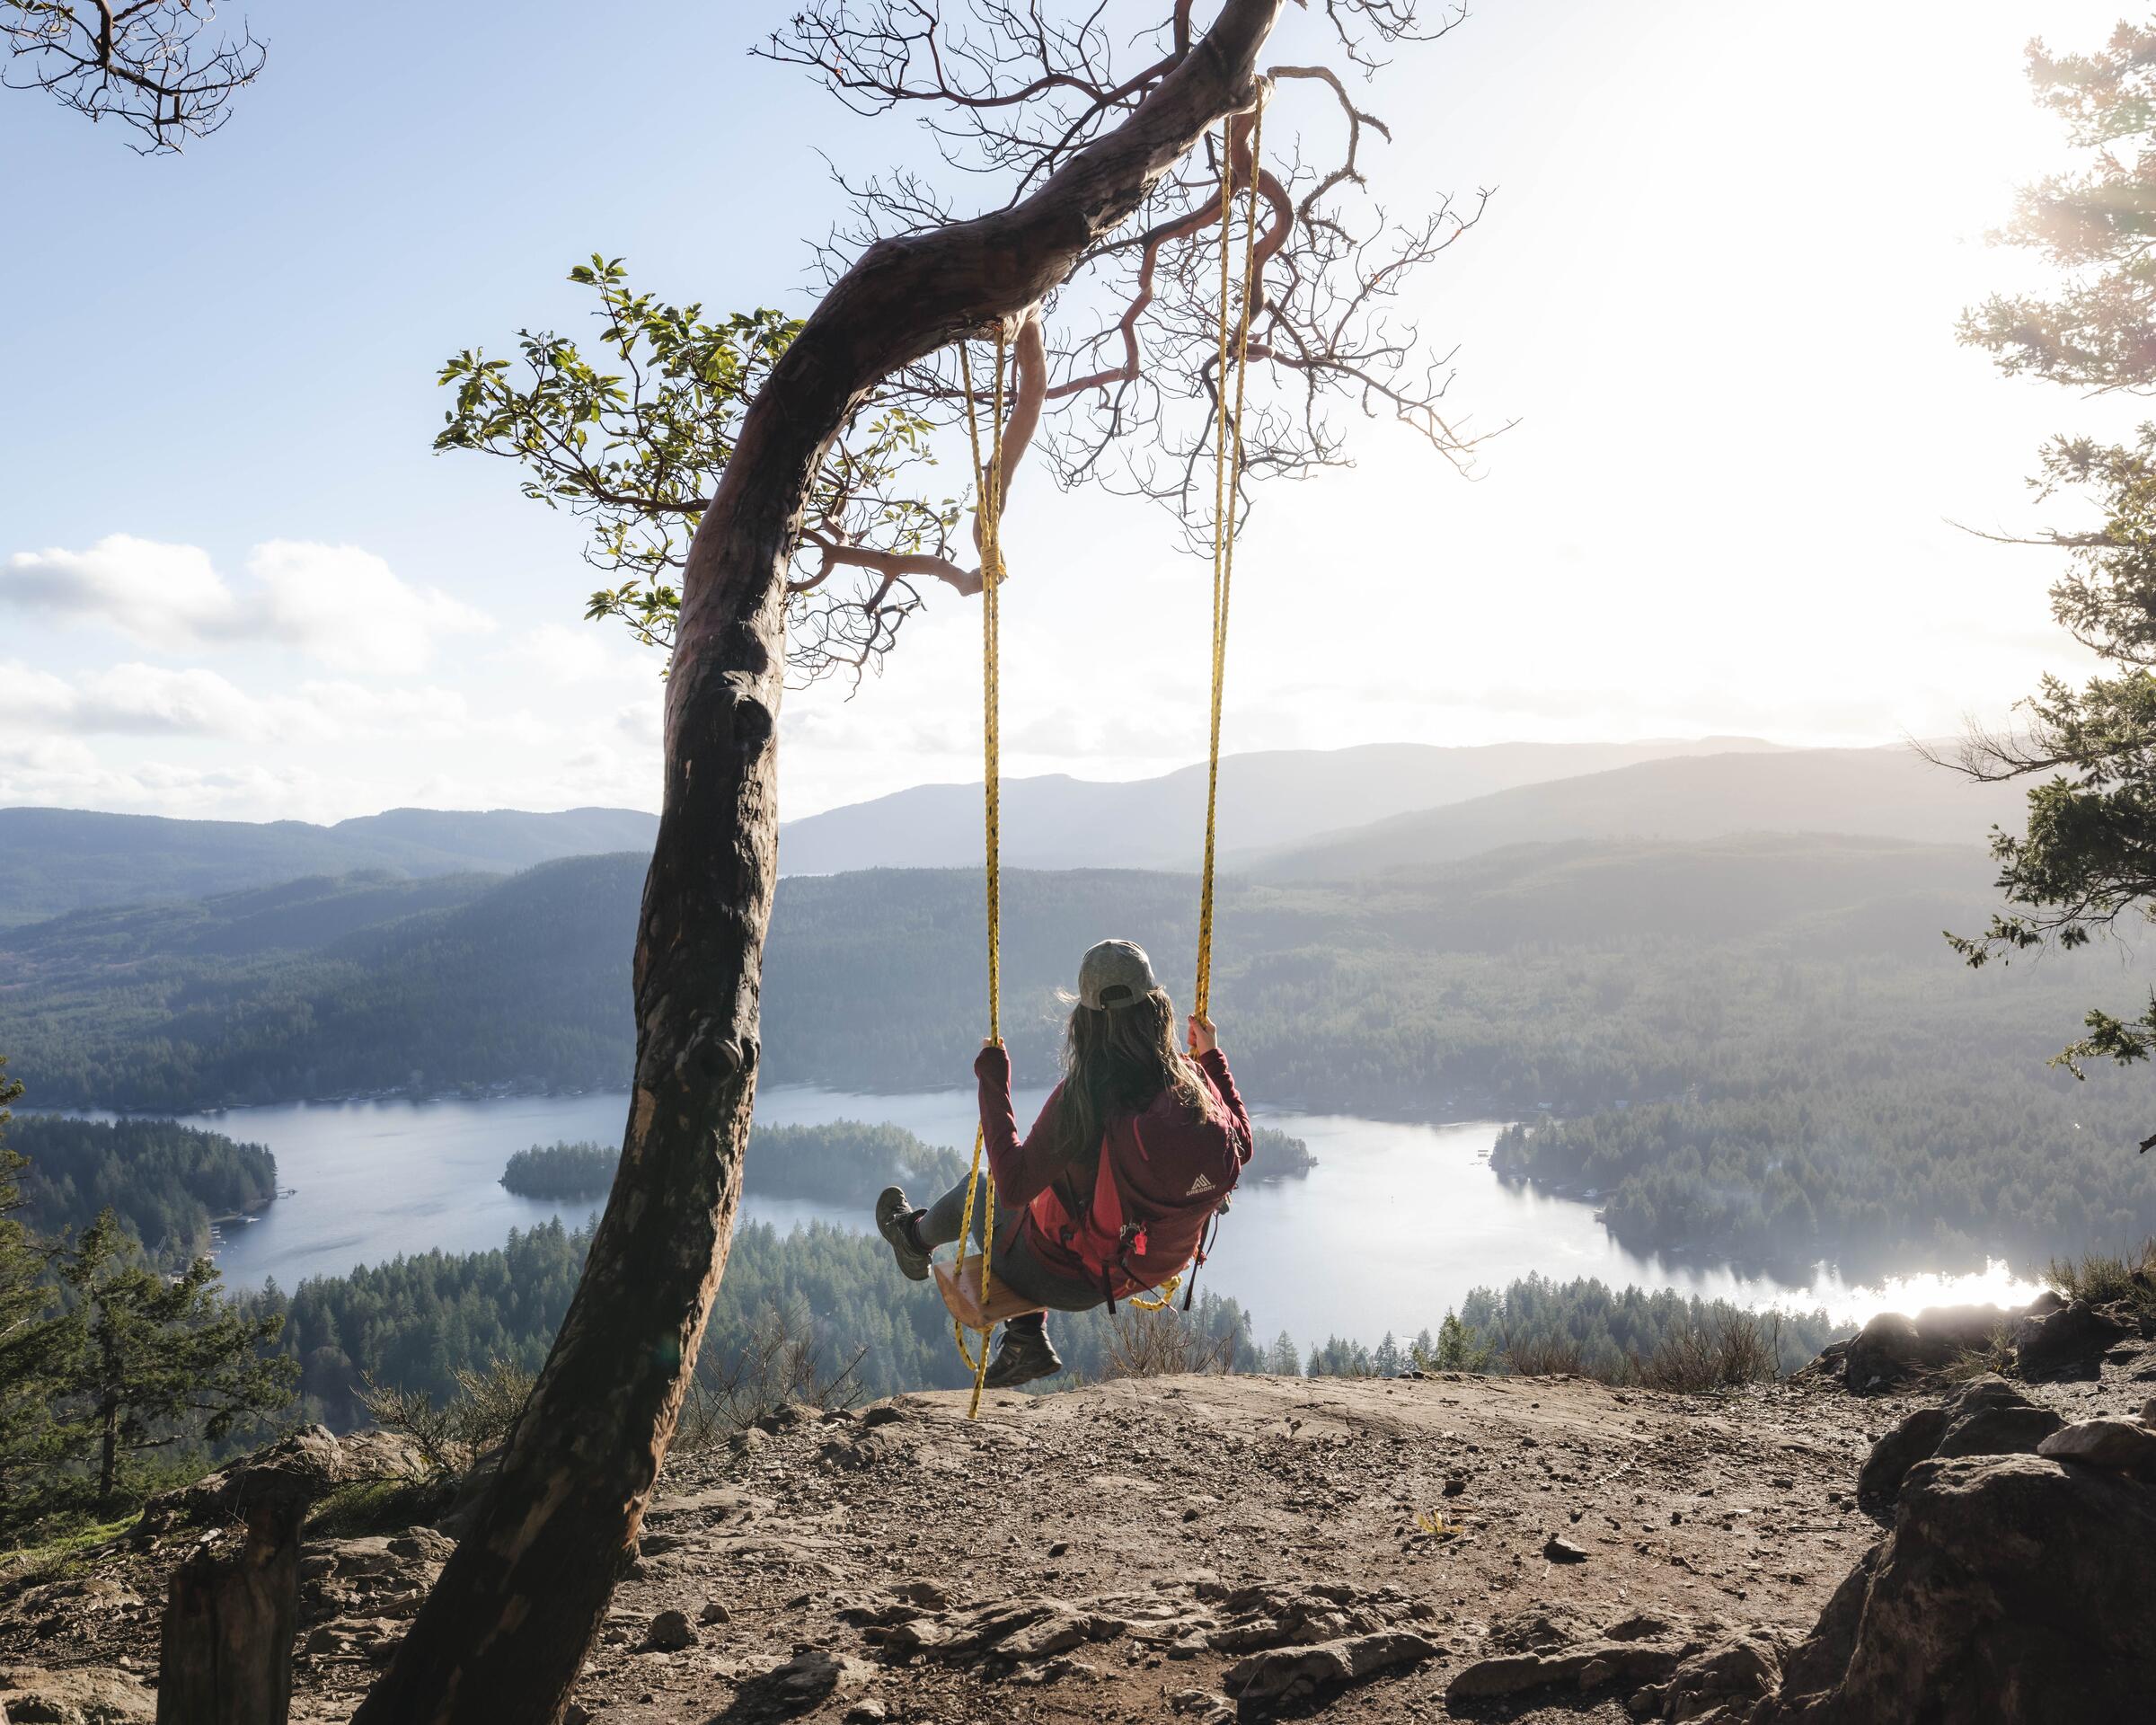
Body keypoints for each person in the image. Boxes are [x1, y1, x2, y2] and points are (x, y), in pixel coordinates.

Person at [877, 938, 1253, 1388]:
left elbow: (1013, 1184)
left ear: (1085, 1023)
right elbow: (1242, 1145)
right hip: (1156, 1264)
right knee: (1048, 1204)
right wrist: (1212, 1057)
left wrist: (993, 1082)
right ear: (1158, 1009)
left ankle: (913, 1240)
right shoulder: (1188, 1082)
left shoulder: (1083, 1098)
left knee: (977, 1191)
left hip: (1074, 1280)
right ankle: (1023, 1335)